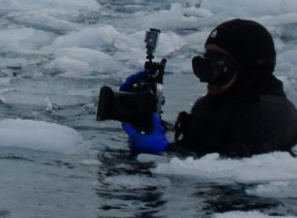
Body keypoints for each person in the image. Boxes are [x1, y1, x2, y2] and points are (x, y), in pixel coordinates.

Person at [123, 19, 297, 157]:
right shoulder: (218, 104)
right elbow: (201, 141)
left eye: (217, 67)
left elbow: (230, 170)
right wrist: (145, 118)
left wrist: (165, 152)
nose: (207, 77)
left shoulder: (266, 117)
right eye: (204, 64)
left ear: (247, 70)